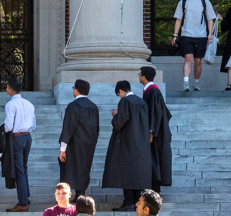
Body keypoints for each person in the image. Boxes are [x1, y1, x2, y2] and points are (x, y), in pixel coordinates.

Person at [101, 81, 153, 212]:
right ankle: (137, 201)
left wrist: (115, 115)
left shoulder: (125, 101)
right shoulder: (142, 102)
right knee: (137, 173)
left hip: (127, 143)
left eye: (119, 94)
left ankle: (128, 201)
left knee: (126, 173)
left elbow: (119, 123)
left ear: (120, 91)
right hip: (141, 143)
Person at [170, 0, 217, 91]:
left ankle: (196, 83)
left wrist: (210, 34)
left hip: (201, 35)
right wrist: (175, 35)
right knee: (188, 57)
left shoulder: (205, 2)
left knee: (198, 60)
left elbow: (210, 19)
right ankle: (186, 82)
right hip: (186, 34)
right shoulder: (183, 2)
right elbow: (178, 19)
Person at [58, 79, 99, 197]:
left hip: (74, 144)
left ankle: (74, 195)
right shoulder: (93, 107)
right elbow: (96, 128)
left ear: (76, 90)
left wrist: (63, 148)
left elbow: (68, 127)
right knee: (84, 168)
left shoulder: (74, 106)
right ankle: (81, 194)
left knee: (71, 169)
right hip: (88, 143)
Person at [1, 78, 35, 211]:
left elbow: (8, 126)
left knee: (19, 169)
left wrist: (2, 130)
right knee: (24, 168)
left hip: (17, 138)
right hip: (27, 137)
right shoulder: (29, 104)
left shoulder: (10, 105)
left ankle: (22, 203)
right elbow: (33, 124)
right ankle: (25, 197)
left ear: (9, 88)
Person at [137, 67, 171, 195]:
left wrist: (151, 131)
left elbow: (155, 112)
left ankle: (154, 189)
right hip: (154, 131)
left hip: (155, 133)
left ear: (144, 76)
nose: (139, 76)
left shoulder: (153, 92)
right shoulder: (150, 91)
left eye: (140, 74)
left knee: (154, 158)